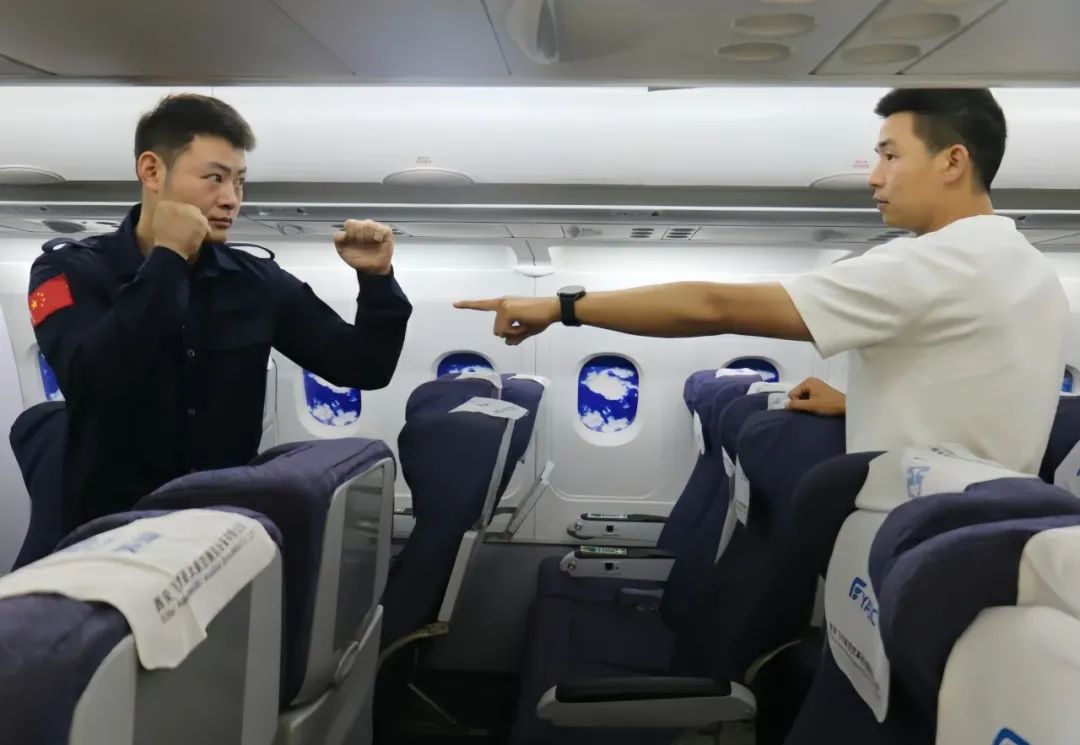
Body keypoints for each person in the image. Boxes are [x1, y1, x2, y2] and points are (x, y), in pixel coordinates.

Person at [456, 88, 1068, 474]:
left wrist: (562, 308)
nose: (873, 177)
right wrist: (861, 406)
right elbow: (982, 404)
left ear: (953, 161)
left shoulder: (934, 263)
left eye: (890, 155)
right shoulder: (1025, 266)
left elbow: (713, 306)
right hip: (972, 529)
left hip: (913, 535)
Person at [28, 93, 413, 531]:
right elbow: (94, 383)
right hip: (111, 530)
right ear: (152, 171)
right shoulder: (70, 271)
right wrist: (169, 258)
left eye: (239, 182)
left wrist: (377, 282)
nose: (231, 199)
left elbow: (363, 366)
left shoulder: (256, 281)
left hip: (222, 530)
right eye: (215, 178)